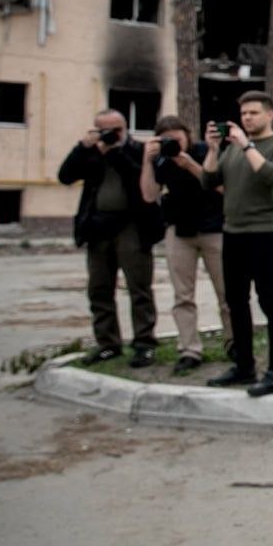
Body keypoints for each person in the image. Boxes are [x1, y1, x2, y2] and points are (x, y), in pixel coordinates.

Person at [202, 91, 273, 397]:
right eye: (243, 113)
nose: (247, 118)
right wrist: (213, 149)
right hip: (233, 232)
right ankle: (244, 366)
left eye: (253, 113)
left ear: (270, 114)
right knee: (236, 301)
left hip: (263, 232)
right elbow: (208, 181)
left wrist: (246, 145)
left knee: (269, 300)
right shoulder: (232, 148)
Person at [58, 109, 164, 366]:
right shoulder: (92, 151)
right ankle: (107, 343)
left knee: (139, 286)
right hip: (98, 226)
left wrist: (115, 152)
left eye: (116, 130)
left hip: (131, 225)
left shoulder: (138, 150)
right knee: (99, 288)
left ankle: (144, 343)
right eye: (104, 130)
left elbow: (139, 178)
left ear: (125, 128)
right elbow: (66, 176)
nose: (111, 135)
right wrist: (82, 148)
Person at [140, 115, 232, 376]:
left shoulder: (204, 151)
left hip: (214, 228)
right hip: (179, 231)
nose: (173, 144)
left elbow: (223, 187)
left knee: (227, 292)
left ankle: (234, 343)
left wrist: (189, 164)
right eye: (166, 139)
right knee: (183, 296)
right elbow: (149, 195)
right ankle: (189, 350)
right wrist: (147, 160)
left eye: (177, 139)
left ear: (188, 136)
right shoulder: (160, 159)